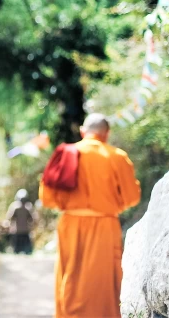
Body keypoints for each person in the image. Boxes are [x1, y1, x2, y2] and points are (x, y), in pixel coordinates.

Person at [39, 114, 141, 318]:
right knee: (103, 283)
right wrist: (113, 205)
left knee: (70, 277)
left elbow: (46, 197)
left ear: (83, 132)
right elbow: (132, 197)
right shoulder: (117, 156)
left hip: (70, 224)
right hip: (105, 225)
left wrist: (68, 203)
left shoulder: (66, 153)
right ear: (106, 134)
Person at [5, 189, 35, 254]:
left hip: (18, 231)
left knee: (18, 251)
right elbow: (32, 219)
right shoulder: (28, 207)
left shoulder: (15, 206)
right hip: (22, 231)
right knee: (25, 251)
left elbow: (9, 217)